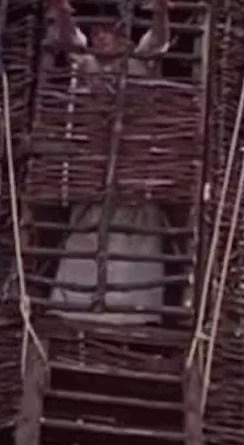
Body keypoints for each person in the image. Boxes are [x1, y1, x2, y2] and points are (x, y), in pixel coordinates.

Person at [46, 0, 172, 325]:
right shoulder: (89, 66)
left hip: (134, 176)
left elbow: (158, 40)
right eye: (96, 33)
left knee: (135, 243)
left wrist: (160, 11)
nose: (101, 38)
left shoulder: (139, 64)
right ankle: (77, 310)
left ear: (122, 36)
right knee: (86, 239)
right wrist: (63, 13)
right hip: (94, 173)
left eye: (108, 32)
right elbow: (71, 41)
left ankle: (135, 316)